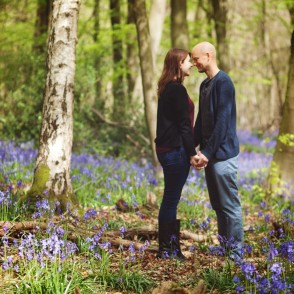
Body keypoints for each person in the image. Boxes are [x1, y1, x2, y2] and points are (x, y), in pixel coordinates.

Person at [191, 41, 244, 261]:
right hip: (209, 156)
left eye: (196, 59)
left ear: (208, 55)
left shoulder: (224, 83)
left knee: (230, 206)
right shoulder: (204, 85)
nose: (194, 64)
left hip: (223, 156)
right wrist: (191, 149)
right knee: (218, 206)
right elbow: (201, 122)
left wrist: (207, 153)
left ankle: (235, 256)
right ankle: (225, 249)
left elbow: (223, 123)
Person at [155, 48, 198, 261]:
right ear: (179, 64)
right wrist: (192, 153)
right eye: (188, 61)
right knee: (171, 200)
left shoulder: (167, 88)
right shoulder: (176, 90)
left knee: (171, 199)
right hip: (174, 150)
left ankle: (171, 248)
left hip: (167, 149)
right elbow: (183, 126)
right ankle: (167, 250)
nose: (191, 64)